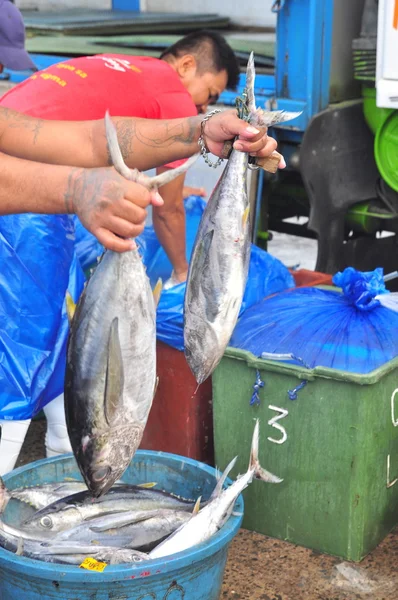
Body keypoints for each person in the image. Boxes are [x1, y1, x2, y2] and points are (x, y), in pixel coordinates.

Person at [0, 28, 242, 283]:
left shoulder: (128, 66)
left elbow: (99, 143)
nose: (204, 107)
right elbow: (168, 213)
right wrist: (183, 274)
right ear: (186, 65)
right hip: (22, 198)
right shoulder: (175, 96)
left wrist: (167, 186)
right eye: (210, 95)